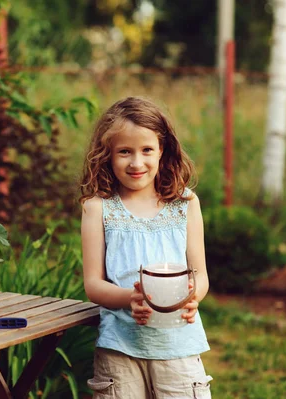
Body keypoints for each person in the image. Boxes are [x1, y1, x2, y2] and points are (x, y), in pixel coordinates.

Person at [80, 96, 212, 398]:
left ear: (162, 150)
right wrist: (131, 298)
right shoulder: (98, 208)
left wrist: (194, 298)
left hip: (178, 344)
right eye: (124, 151)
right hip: (120, 348)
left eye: (146, 150)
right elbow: (93, 284)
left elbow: (200, 275)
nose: (136, 163)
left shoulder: (185, 203)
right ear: (107, 155)